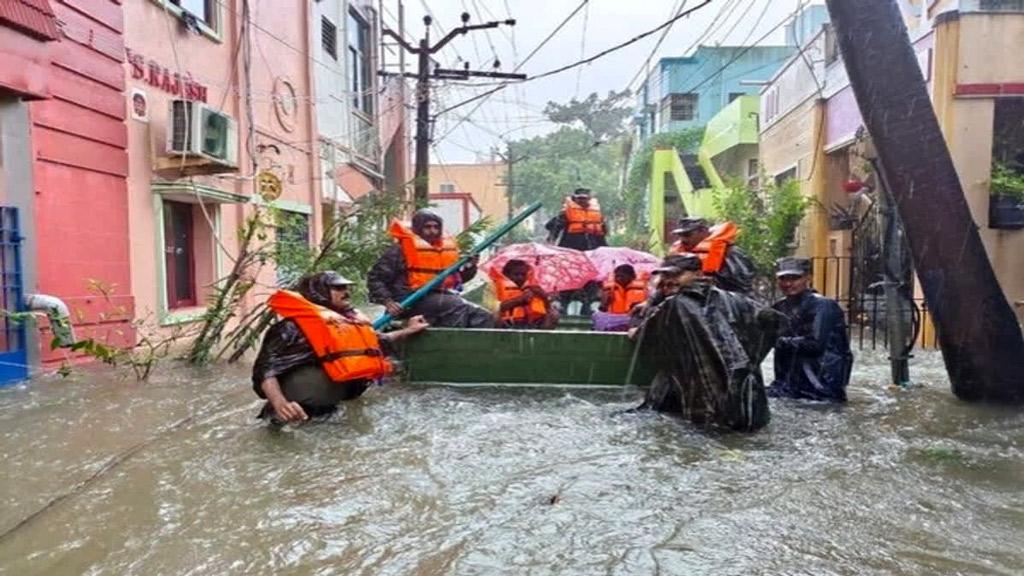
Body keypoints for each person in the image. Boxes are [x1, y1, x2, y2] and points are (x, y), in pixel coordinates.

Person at [252, 271, 429, 424]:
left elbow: (377, 343)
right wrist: (280, 403)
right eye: (338, 288)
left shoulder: (348, 323)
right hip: (292, 411)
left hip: (332, 409)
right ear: (320, 292)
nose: (346, 292)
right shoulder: (291, 328)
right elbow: (266, 369)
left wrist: (409, 330)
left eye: (346, 288)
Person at [631, 254, 781, 432]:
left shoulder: (673, 304)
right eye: (666, 275)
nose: (670, 280)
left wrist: (634, 331)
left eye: (676, 275)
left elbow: (644, 335)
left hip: (705, 397)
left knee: (707, 433)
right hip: (743, 393)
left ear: (698, 274)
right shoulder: (735, 299)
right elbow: (774, 322)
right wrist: (751, 358)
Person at [367, 209, 494, 328]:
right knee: (455, 305)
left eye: (436, 227)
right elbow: (375, 278)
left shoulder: (444, 251)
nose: (433, 231)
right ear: (417, 228)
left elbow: (457, 280)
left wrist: (471, 267)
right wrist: (388, 302)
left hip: (438, 297)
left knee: (483, 316)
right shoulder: (399, 251)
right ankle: (451, 341)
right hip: (409, 299)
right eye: (427, 227)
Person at [768, 257, 854, 402]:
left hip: (821, 388)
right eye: (783, 278)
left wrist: (776, 341)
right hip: (788, 387)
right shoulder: (779, 307)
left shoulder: (823, 306)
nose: (788, 283)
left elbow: (814, 344)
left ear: (808, 278)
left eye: (795, 278)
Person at [544, 188, 606, 315]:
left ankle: (587, 305)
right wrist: (551, 240)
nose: (582, 201)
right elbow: (552, 227)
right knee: (568, 277)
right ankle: (564, 304)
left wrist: (604, 250)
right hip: (570, 252)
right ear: (574, 199)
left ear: (589, 199)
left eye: (585, 198)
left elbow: (602, 234)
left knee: (591, 278)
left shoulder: (597, 214)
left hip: (591, 253)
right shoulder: (566, 212)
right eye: (579, 198)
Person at [669, 217, 754, 294]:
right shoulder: (679, 254)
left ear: (703, 231)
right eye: (680, 236)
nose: (682, 239)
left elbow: (743, 284)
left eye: (687, 235)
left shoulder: (730, 252)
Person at [489, 259, 558, 329]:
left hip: (532, 324)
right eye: (516, 274)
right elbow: (493, 309)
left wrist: (544, 297)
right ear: (506, 275)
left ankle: (542, 338)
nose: (520, 277)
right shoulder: (495, 287)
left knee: (554, 314)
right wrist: (519, 300)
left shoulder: (533, 288)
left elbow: (546, 309)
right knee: (494, 316)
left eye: (523, 274)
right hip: (507, 324)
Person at [593, 264, 648, 332]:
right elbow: (602, 310)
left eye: (622, 276)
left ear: (632, 276)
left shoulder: (644, 289)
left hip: (633, 320)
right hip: (613, 320)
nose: (618, 279)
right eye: (617, 276)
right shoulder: (610, 289)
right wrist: (605, 303)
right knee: (596, 315)